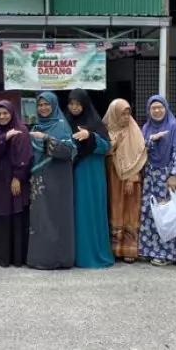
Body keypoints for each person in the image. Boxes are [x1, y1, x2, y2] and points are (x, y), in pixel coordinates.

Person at [26, 91, 77, 270]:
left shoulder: (61, 126)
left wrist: (47, 139)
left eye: (47, 104)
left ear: (54, 105)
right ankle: (41, 258)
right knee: (40, 218)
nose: (43, 108)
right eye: (40, 105)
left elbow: (70, 150)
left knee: (58, 217)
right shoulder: (35, 128)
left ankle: (60, 258)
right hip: (39, 179)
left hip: (59, 178)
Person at [65, 89, 114, 269]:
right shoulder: (65, 122)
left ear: (85, 104)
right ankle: (75, 255)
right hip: (73, 173)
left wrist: (90, 136)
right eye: (71, 103)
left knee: (91, 212)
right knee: (76, 213)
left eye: (77, 103)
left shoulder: (95, 122)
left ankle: (93, 255)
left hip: (92, 174)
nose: (74, 107)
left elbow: (107, 146)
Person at [0, 99, 32, 268]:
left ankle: (18, 257)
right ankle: (2, 256)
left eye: (5, 113)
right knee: (1, 215)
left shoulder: (21, 130)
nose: (2, 116)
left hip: (16, 180)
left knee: (17, 215)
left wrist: (18, 177)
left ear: (12, 113)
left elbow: (26, 156)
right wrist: (5, 137)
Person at [139, 95, 176, 267]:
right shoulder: (146, 127)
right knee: (151, 213)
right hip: (150, 176)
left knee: (167, 214)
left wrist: (174, 175)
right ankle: (150, 250)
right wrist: (152, 139)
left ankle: (167, 253)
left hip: (167, 177)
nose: (157, 111)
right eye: (153, 108)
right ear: (149, 111)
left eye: (160, 107)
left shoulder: (174, 127)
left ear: (166, 108)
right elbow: (142, 150)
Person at [102, 98, 146, 263]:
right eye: (122, 114)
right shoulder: (105, 130)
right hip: (111, 177)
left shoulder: (134, 131)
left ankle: (129, 249)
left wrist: (132, 177)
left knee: (129, 210)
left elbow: (140, 155)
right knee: (113, 209)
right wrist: (113, 145)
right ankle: (114, 248)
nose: (126, 117)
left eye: (128, 113)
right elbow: (101, 151)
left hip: (129, 178)